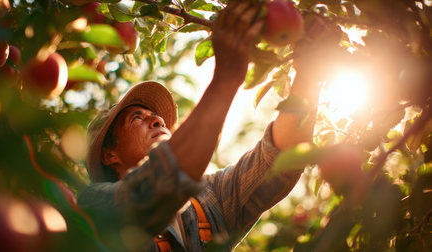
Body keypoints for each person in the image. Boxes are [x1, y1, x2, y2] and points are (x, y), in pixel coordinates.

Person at [78, 1, 326, 251]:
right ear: (109, 155)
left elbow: (280, 158)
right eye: (137, 118)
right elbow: (153, 192)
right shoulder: (93, 205)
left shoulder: (212, 196)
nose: (158, 120)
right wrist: (226, 78)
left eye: (156, 116)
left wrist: (309, 74)